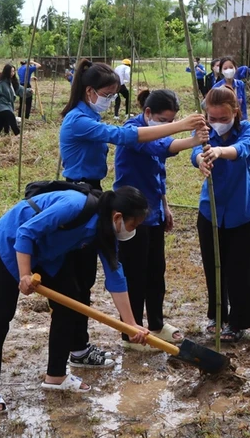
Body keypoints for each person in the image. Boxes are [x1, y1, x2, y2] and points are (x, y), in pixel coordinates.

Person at [59, 60, 207, 366]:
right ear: (89, 91)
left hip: (94, 192)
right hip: (78, 194)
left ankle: (131, 329)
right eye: (108, 94)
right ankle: (83, 345)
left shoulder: (89, 116)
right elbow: (126, 137)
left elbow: (160, 162)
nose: (111, 100)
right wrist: (182, 128)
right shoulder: (78, 121)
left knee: (131, 271)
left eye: (115, 95)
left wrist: (191, 139)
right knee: (91, 275)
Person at [0, 185, 151, 414]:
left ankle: (55, 375)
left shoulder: (106, 230)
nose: (132, 230)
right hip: (13, 241)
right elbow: (25, 232)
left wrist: (131, 324)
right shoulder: (74, 205)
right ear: (118, 216)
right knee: (0, 314)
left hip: (47, 254)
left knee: (70, 302)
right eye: (133, 225)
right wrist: (25, 274)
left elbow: (116, 277)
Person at [114, 90, 209, 350]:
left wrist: (165, 206)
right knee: (134, 274)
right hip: (133, 213)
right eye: (164, 121)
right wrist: (191, 139)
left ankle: (156, 324)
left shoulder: (154, 130)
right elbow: (161, 147)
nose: (167, 127)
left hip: (153, 210)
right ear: (147, 114)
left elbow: (159, 172)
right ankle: (129, 333)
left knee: (156, 271)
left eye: (172, 121)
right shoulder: (132, 131)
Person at [192, 85, 250, 342]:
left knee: (239, 269)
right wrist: (200, 159)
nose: (217, 124)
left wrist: (219, 151)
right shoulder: (203, 131)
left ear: (236, 112)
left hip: (241, 210)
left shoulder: (249, 130)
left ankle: (239, 320)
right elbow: (194, 152)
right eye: (212, 119)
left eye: (224, 119)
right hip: (210, 210)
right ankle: (217, 315)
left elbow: (241, 150)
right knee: (213, 265)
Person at [0, 65, 28, 136]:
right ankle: (18, 134)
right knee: (11, 117)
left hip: (7, 106)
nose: (12, 73)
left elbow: (20, 89)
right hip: (0, 106)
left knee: (0, 126)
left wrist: (29, 91)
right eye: (11, 71)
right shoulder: (1, 83)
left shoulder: (12, 82)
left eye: (13, 71)